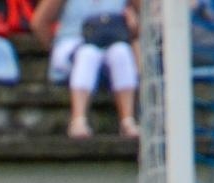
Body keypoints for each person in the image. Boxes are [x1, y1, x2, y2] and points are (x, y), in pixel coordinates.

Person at [32, 0, 142, 138]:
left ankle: (127, 120)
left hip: (110, 42)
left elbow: (145, 19)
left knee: (121, 52)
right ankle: (78, 120)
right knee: (88, 54)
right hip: (73, 42)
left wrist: (133, 26)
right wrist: (53, 47)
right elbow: (39, 23)